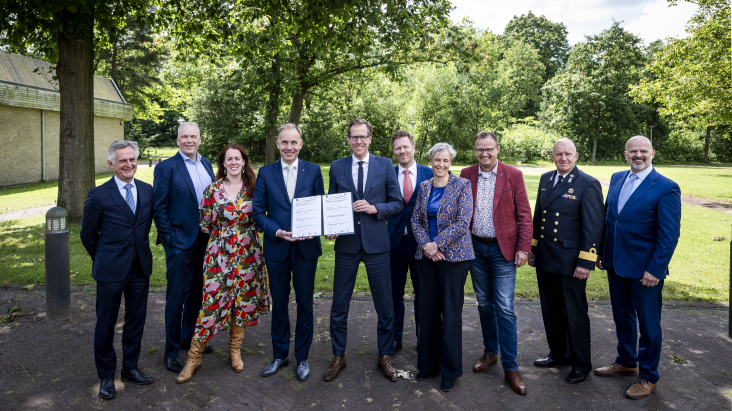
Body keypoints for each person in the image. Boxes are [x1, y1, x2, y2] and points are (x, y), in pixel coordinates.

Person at [595, 136, 681, 400]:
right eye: (634, 151)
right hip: (615, 264)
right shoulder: (618, 177)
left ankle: (648, 376)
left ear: (652, 153)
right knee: (622, 319)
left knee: (649, 326)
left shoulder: (666, 187)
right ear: (625, 154)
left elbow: (669, 235)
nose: (638, 155)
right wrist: (600, 252)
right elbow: (610, 218)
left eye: (643, 151)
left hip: (646, 271)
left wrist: (655, 269)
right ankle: (626, 361)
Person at [177, 143, 270, 383]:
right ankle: (193, 357)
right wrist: (225, 236)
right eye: (229, 159)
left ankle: (234, 350)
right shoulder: (212, 190)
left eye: (237, 158)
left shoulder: (254, 189)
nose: (233, 162)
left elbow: (261, 220)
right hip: (219, 255)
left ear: (244, 161)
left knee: (243, 300)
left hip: (248, 255)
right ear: (223, 163)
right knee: (211, 303)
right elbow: (205, 224)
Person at [324, 118, 405, 382]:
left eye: (363, 137)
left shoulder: (384, 165)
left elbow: (398, 203)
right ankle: (339, 355)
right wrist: (330, 226)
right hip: (346, 245)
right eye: (354, 137)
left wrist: (375, 209)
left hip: (377, 245)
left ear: (370, 139)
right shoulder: (337, 167)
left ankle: (384, 354)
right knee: (339, 306)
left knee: (385, 305)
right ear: (348, 140)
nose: (358, 141)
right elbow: (331, 204)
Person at [80, 140, 155, 399]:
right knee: (106, 324)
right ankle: (106, 376)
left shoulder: (147, 191)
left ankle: (130, 368)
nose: (129, 164)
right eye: (122, 160)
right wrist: (103, 258)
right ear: (111, 163)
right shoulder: (98, 195)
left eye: (132, 159)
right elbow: (88, 235)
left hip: (140, 269)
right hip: (110, 271)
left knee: (136, 321)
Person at [460, 131, 532, 395]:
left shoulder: (513, 175)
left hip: (504, 251)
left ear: (498, 149)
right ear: (475, 150)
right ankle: (491, 352)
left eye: (489, 149)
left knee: (504, 308)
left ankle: (511, 367)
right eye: (480, 150)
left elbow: (524, 215)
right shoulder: (466, 174)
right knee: (485, 304)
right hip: (475, 249)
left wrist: (524, 249)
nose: (484, 154)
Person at [528, 138, 604, 384]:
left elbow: (594, 227)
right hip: (546, 256)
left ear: (576, 156)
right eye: (558, 154)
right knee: (550, 311)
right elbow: (539, 216)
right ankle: (559, 354)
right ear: (552, 156)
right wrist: (533, 249)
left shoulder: (587, 184)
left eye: (568, 154)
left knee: (575, 314)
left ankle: (581, 364)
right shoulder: (545, 179)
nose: (563, 158)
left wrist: (586, 261)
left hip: (572, 261)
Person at [253, 124, 325, 381]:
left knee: (305, 304)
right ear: (278, 144)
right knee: (279, 305)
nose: (289, 147)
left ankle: (302, 357)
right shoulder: (265, 172)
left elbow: (320, 206)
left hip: (306, 249)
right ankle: (279, 355)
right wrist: (277, 231)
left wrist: (313, 228)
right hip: (277, 248)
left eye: (294, 142)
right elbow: (258, 212)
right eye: (284, 142)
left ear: (301, 144)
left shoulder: (313, 170)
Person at [411, 142, 473, 392]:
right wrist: (427, 244)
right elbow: (415, 219)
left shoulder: (462, 186)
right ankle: (428, 366)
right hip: (426, 257)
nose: (440, 164)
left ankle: (450, 370)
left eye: (445, 160)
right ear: (431, 161)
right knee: (427, 312)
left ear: (451, 162)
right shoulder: (424, 186)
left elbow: (462, 222)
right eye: (437, 160)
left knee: (450, 314)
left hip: (455, 258)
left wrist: (437, 244)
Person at [154, 122, 216, 373]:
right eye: (184, 136)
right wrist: (169, 239)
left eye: (193, 136)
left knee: (196, 294)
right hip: (179, 242)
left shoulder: (207, 163)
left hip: (205, 239)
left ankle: (187, 337)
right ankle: (170, 352)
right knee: (176, 297)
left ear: (200, 139)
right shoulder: (166, 167)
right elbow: (159, 206)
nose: (189, 140)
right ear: (178, 140)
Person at [386, 130, 433, 352]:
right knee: (393, 294)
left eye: (405, 146)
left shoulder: (430, 173)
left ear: (414, 147)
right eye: (398, 148)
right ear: (393, 151)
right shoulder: (387, 173)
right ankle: (395, 338)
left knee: (422, 294)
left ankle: (423, 337)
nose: (402, 151)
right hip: (393, 243)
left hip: (422, 244)